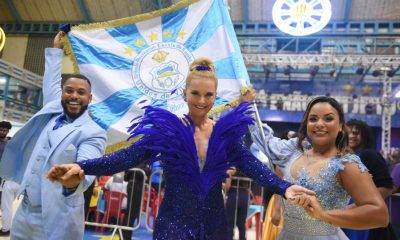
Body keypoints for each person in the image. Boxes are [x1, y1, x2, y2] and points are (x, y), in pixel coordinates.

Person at [48, 57, 315, 240]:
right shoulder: (168, 130)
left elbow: (252, 165)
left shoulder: (224, 134)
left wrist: (284, 187)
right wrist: (82, 167)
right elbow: (126, 157)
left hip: (214, 225)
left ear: (215, 96)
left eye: (208, 95)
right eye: (195, 94)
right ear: (184, 93)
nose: (201, 101)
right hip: (173, 225)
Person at [0, 31, 107, 239]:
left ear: (90, 98)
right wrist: (56, 50)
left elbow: (87, 165)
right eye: (69, 90)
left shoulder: (94, 133)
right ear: (62, 94)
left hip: (57, 219)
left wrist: (75, 179)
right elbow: (50, 80)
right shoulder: (52, 111)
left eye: (80, 92)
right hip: (23, 211)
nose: (74, 96)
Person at [250, 96, 389, 239]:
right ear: (306, 125)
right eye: (313, 119)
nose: (319, 124)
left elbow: (380, 214)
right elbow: (262, 137)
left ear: (341, 126)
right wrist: (246, 104)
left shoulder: (346, 164)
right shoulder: (292, 152)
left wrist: (324, 215)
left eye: (328, 119)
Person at [343, 119, 395, 240]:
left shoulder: (369, 155)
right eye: (348, 132)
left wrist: (359, 206)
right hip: (346, 218)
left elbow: (387, 187)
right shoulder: (342, 156)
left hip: (367, 222)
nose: (351, 136)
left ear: (364, 135)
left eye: (355, 133)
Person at [0, 121, 17, 236]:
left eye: (5, 130)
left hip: (5, 176)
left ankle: (6, 227)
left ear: (8, 131)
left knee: (4, 202)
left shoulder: (10, 142)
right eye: (1, 129)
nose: (2, 132)